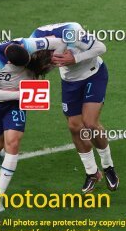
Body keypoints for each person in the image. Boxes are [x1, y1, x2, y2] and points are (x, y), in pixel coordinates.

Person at [30, 22, 119, 192]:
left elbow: (101, 47)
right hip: (70, 82)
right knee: (74, 126)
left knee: (90, 123)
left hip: (93, 74)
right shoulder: (34, 42)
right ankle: (92, 173)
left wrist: (75, 58)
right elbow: (31, 71)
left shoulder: (71, 34)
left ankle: (108, 167)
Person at [0, 36, 61, 212]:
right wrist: (26, 94)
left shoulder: (29, 44)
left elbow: (59, 42)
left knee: (14, 143)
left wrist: (58, 60)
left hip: (16, 104)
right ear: (9, 61)